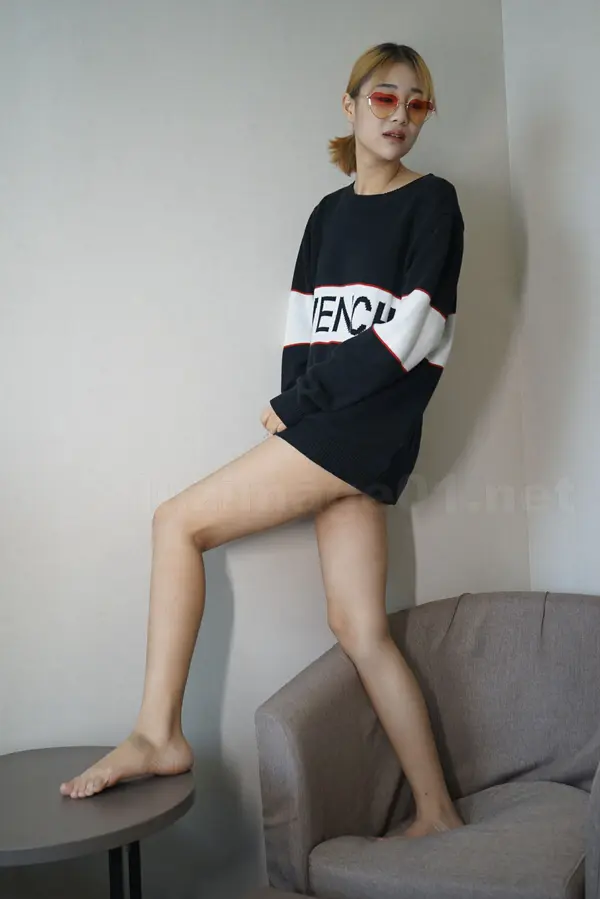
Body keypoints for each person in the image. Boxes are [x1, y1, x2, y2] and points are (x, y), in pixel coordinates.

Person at [59, 41, 465, 841]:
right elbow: (304, 326)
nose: (401, 116)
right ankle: (439, 811)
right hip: (331, 427)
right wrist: (299, 400)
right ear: (350, 105)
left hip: (359, 428)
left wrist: (302, 404)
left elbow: (415, 329)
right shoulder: (327, 214)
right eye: (385, 97)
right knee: (359, 628)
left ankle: (158, 734)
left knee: (177, 522)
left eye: (417, 103)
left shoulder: (434, 202)